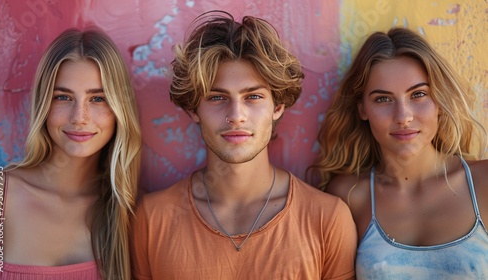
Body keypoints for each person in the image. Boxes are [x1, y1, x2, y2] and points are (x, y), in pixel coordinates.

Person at [130, 10, 357, 280]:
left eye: (253, 96)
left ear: (278, 106)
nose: (236, 115)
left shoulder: (327, 219)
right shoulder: (153, 219)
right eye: (217, 97)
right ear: (193, 109)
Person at [311, 27, 488, 279]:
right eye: (383, 99)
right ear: (362, 109)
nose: (403, 117)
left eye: (418, 94)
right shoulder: (350, 196)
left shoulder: (483, 183)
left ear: (439, 100)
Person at [0, 27, 142, 279]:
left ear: (119, 109)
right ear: (43, 105)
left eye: (97, 99)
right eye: (62, 97)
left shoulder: (129, 213)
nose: (79, 118)